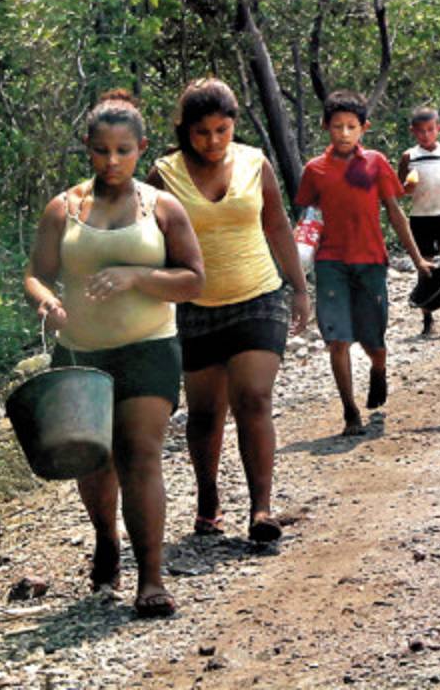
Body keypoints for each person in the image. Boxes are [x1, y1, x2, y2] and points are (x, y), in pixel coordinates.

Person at [24, 89, 204, 619]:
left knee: (140, 454)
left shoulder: (162, 207)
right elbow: (36, 274)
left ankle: (151, 578)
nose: (112, 161)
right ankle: (106, 536)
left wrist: (137, 276)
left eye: (123, 150)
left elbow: (193, 279)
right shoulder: (63, 208)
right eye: (101, 150)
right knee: (94, 458)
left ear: (141, 149)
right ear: (87, 147)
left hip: (149, 348)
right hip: (81, 352)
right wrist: (47, 301)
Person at [146, 78, 309, 543]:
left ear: (234, 125)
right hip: (195, 306)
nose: (213, 141)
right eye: (202, 132)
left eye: (222, 130)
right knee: (204, 414)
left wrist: (299, 287)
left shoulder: (255, 163)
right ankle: (208, 498)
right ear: (185, 131)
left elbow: (277, 226)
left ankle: (261, 509)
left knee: (253, 398)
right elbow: (145, 240)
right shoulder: (163, 175)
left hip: (258, 295)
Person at [295, 89, 433, 435]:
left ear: (363, 128)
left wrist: (418, 260)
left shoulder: (375, 163)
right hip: (330, 264)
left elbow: (395, 213)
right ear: (326, 126)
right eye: (337, 126)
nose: (344, 133)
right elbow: (308, 218)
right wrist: (299, 263)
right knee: (337, 340)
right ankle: (350, 412)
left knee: (375, 343)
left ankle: (378, 369)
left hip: (370, 261)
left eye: (351, 126)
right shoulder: (315, 170)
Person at [397, 106, 440, 335]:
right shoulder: (409, 157)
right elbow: (397, 190)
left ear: (439, 129)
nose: (425, 135)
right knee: (425, 267)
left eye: (430, 130)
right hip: (420, 219)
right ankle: (427, 319)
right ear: (413, 131)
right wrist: (407, 188)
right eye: (420, 131)